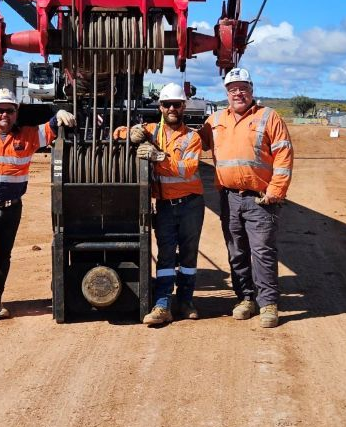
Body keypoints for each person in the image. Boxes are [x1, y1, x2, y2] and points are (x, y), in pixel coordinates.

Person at [0, 88, 75, 327]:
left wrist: (59, 113)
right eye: (0, 110)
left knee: (3, 256)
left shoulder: (26, 137)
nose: (4, 115)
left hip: (11, 210)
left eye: (9, 111)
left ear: (16, 113)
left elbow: (48, 129)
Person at [199, 67, 293, 329]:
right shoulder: (215, 120)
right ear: (226, 93)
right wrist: (142, 132)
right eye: (232, 89)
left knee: (262, 251)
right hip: (228, 199)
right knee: (236, 252)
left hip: (260, 199)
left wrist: (276, 191)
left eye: (243, 88)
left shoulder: (268, 117)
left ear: (252, 90)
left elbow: (284, 155)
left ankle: (268, 304)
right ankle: (246, 299)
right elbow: (191, 142)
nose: (238, 93)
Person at [115, 82, 204, 326]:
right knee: (165, 254)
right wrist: (129, 132)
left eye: (176, 104)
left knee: (188, 255)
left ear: (184, 106)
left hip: (191, 205)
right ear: (160, 107)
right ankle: (163, 303)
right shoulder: (151, 131)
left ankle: (185, 301)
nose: (172, 108)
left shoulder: (192, 137)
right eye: (167, 104)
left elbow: (188, 169)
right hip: (164, 205)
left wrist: (159, 157)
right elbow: (118, 132)